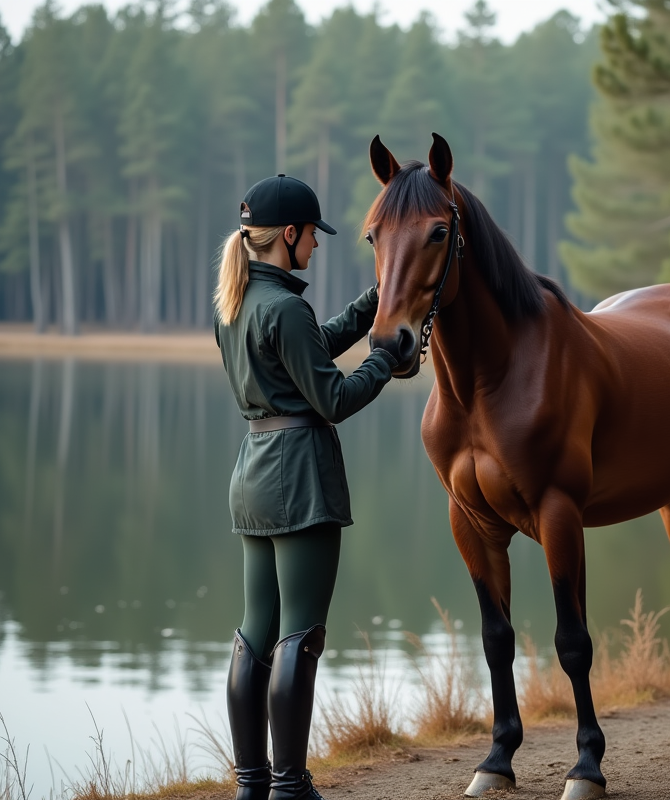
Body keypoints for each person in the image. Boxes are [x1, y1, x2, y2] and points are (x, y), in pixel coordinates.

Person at [213, 174, 400, 800]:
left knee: (255, 632)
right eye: (313, 237)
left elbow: (306, 353)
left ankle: (252, 786)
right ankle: (291, 788)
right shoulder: (286, 307)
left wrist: (373, 304)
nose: (317, 247)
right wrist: (386, 357)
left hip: (255, 476)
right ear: (288, 235)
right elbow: (333, 395)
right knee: (300, 633)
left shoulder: (235, 304)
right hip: (300, 480)